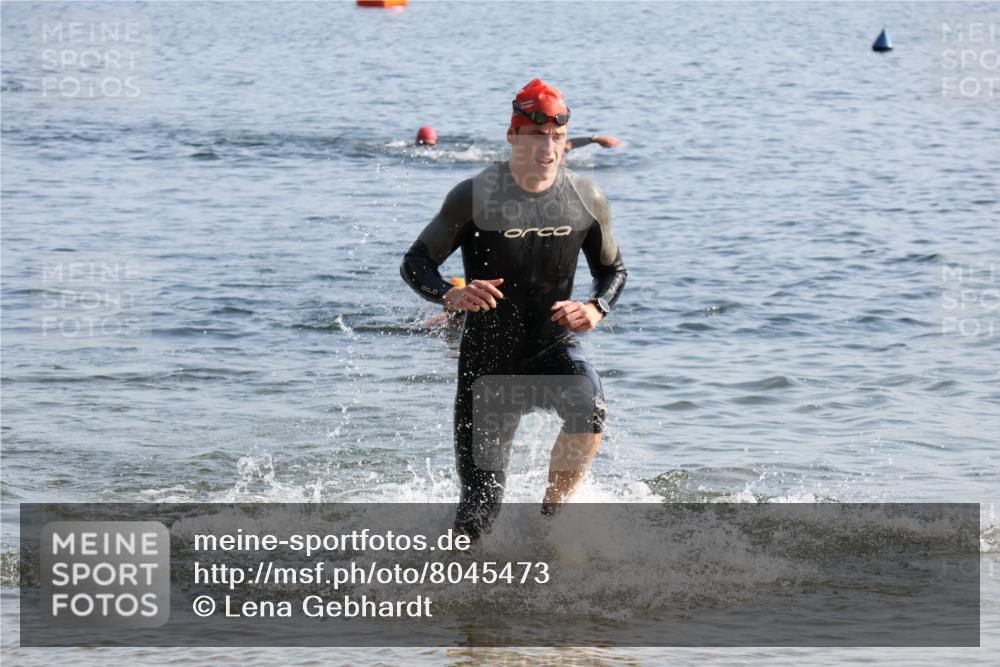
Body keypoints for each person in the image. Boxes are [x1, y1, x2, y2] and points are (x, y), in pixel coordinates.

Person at [401, 78, 627, 540]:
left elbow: (614, 270)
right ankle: (458, 601)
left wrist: (597, 307)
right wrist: (450, 293)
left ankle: (552, 519)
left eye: (558, 138)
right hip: (488, 365)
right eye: (537, 136)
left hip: (552, 347)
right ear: (514, 136)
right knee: (479, 513)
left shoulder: (587, 198)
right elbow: (416, 262)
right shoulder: (474, 195)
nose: (548, 148)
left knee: (591, 409)